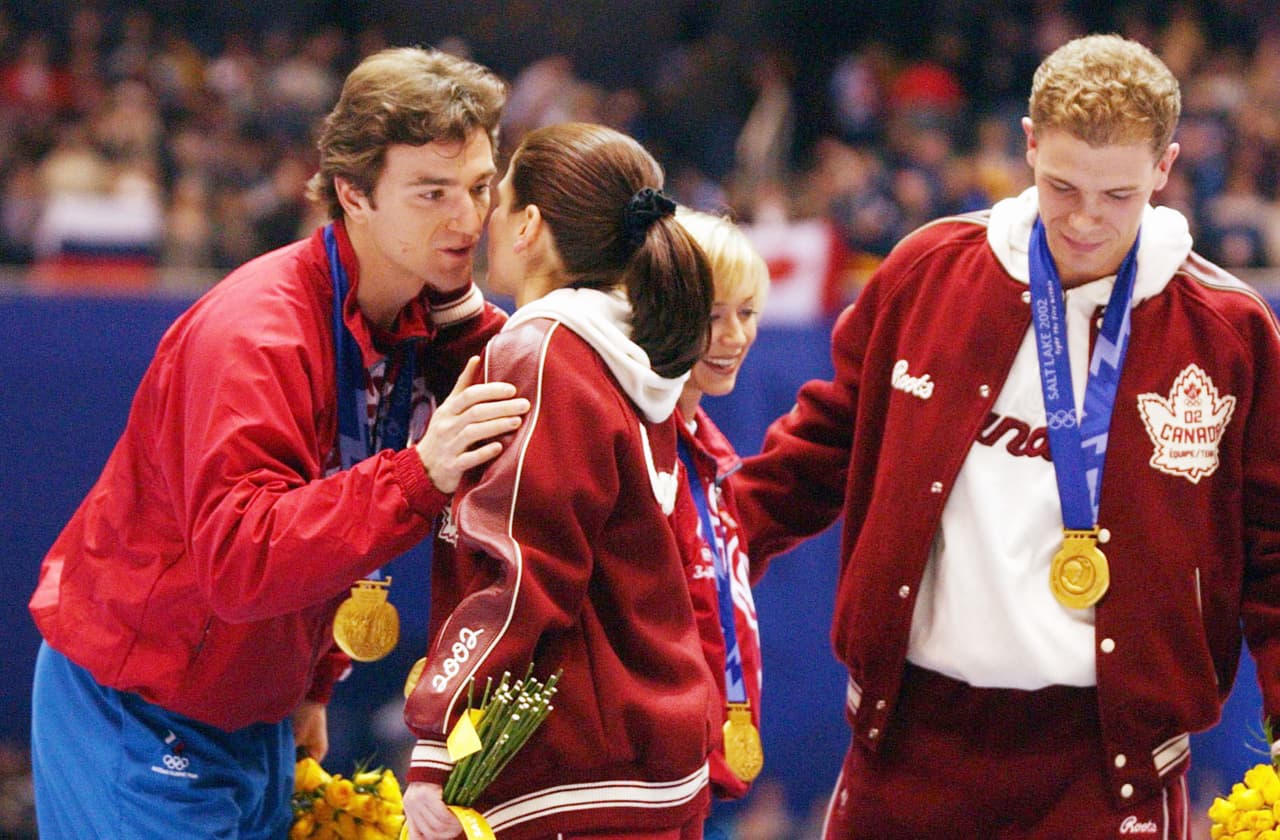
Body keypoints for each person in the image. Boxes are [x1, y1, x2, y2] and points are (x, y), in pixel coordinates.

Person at [734, 33, 1280, 839]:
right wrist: (697, 551)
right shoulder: (929, 273)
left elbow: (1272, 546)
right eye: (1061, 186)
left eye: (1118, 195)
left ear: (1164, 168)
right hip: (909, 735)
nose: (1087, 219)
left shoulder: (1226, 330)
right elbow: (818, 450)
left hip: (1109, 761)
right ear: (1027, 145)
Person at [28, 47, 529, 840]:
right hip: (142, 703)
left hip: (252, 705)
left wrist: (311, 681)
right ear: (353, 194)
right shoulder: (256, 335)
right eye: (432, 193)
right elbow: (239, 556)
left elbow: (328, 489)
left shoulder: (398, 317)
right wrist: (418, 475)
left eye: (478, 188)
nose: (467, 220)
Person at [401, 122, 718, 840]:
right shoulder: (630, 350)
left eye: (496, 197)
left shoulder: (542, 352)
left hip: (573, 774)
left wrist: (437, 733)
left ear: (530, 227)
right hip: (650, 762)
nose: (481, 220)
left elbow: (524, 572)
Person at [670, 209, 769, 807]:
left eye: (747, 313)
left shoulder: (707, 455)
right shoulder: (635, 450)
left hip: (694, 780)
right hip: (643, 781)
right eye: (712, 317)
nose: (734, 336)